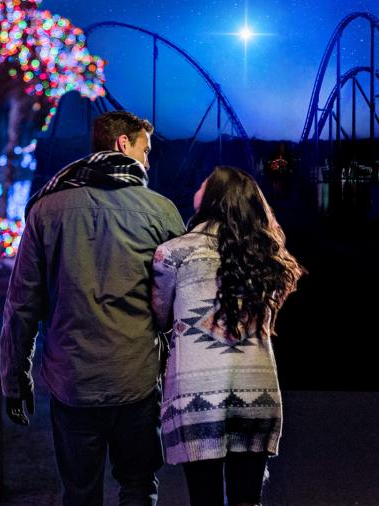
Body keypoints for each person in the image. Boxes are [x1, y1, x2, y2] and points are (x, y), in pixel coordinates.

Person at [1, 111, 185, 506]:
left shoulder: (46, 209)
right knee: (138, 486)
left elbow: (22, 304)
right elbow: (181, 296)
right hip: (135, 377)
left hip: (72, 381)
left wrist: (15, 380)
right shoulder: (162, 211)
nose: (148, 161)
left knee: (79, 493)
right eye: (145, 149)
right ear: (123, 145)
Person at [151, 166, 304, 506]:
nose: (197, 187)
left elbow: (160, 316)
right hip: (257, 393)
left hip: (197, 396)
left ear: (213, 197)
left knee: (204, 499)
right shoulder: (265, 254)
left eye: (203, 183)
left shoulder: (172, 253)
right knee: (247, 500)